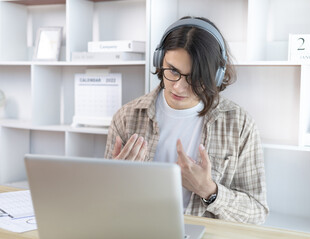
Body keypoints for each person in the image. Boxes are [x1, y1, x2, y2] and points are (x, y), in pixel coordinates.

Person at [104, 16, 269, 224]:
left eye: (194, 77)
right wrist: (115, 181)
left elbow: (257, 213)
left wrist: (209, 190)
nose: (179, 87)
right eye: (173, 70)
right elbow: (105, 203)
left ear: (216, 76)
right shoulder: (127, 117)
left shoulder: (239, 124)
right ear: (159, 61)